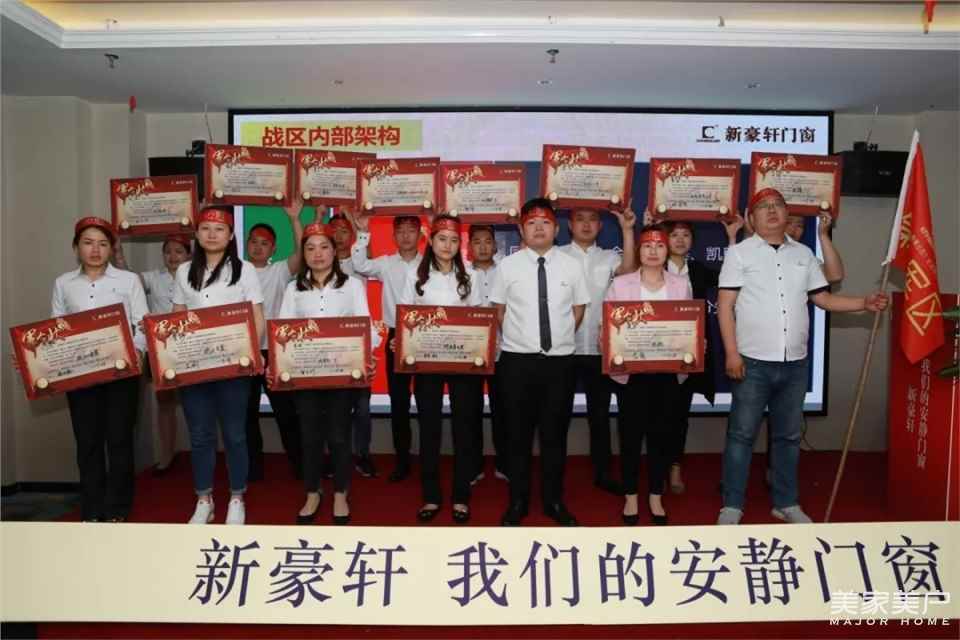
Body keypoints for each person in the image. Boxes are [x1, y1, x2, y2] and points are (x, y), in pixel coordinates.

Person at [716, 188, 888, 525]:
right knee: (741, 435)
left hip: (795, 364)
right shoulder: (739, 254)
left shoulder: (804, 254)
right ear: (751, 218)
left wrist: (863, 303)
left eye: (778, 205)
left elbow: (823, 299)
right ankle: (732, 505)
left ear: (787, 214)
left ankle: (786, 502)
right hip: (752, 363)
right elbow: (725, 307)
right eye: (763, 207)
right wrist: (732, 354)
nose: (772, 211)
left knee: (789, 437)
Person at [491, 198, 590, 527]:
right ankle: (517, 501)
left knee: (554, 435)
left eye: (545, 222)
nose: (538, 228)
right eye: (531, 223)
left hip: (559, 364)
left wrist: (557, 339)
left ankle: (554, 501)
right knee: (517, 436)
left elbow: (578, 310)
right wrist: (523, 340)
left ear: (556, 229)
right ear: (521, 230)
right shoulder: (507, 266)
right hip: (517, 363)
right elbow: (499, 312)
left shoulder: (572, 266)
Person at [276, 222, 376, 525]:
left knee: (339, 435)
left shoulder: (352, 286)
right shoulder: (293, 288)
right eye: (310, 248)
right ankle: (312, 492)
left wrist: (366, 355)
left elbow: (364, 325)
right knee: (309, 436)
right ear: (304, 253)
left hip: (342, 374)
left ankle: (341, 493)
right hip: (305, 375)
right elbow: (283, 331)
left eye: (323, 247)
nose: (317, 254)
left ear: (334, 251)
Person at [51, 217, 149, 522]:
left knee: (119, 440)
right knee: (87, 442)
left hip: (122, 374)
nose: (95, 250)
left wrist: (138, 352)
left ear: (111, 248)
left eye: (103, 244)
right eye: (88, 243)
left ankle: (118, 508)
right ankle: (91, 510)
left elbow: (142, 324)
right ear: (76, 247)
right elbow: (56, 329)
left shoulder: (128, 281)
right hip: (80, 376)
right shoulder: (63, 283)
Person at [173, 206, 265, 525]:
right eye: (206, 228)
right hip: (194, 365)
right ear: (197, 234)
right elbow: (178, 316)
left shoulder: (245, 270)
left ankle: (237, 497)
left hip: (233, 365)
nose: (212, 234)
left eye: (219, 229)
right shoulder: (184, 271)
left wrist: (253, 352)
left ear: (230, 235)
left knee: (235, 434)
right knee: (200, 435)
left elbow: (256, 315)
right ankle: (204, 499)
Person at [605, 224, 691, 525]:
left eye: (659, 246)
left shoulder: (680, 284)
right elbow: (607, 327)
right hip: (632, 374)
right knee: (630, 436)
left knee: (661, 436)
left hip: (667, 373)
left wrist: (695, 342)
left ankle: (655, 494)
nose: (653, 251)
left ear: (667, 250)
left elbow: (688, 325)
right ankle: (630, 495)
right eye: (647, 246)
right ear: (638, 250)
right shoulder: (621, 284)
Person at [557, 205, 636, 495]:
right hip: (562, 349)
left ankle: (602, 473)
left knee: (599, 416)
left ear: (601, 227)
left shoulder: (609, 257)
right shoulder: (556, 256)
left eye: (592, 220)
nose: (586, 224)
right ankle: (554, 475)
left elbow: (629, 273)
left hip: (600, 348)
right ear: (569, 225)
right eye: (580, 219)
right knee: (557, 415)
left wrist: (627, 229)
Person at [661, 217, 742, 493]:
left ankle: (674, 468)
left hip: (687, 354)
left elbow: (730, 278)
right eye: (674, 234)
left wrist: (732, 239)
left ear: (692, 241)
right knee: (656, 414)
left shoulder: (697, 270)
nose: (680, 240)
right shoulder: (652, 266)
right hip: (654, 350)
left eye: (685, 235)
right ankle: (657, 469)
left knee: (679, 414)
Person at [349, 213, 423, 482]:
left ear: (420, 235)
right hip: (395, 335)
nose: (406, 236)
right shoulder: (385, 264)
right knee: (399, 401)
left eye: (411, 230)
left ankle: (428, 456)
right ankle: (402, 460)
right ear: (394, 236)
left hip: (427, 334)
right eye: (400, 231)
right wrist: (363, 233)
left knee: (426, 398)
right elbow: (359, 264)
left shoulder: (429, 264)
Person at [244, 202, 305, 481]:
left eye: (264, 243)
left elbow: (302, 253)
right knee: (247, 415)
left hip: (274, 353)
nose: (258, 247)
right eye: (254, 242)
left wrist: (294, 219)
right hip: (245, 353)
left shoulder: (279, 270)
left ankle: (301, 466)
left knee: (287, 414)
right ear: (246, 244)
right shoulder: (236, 272)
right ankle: (252, 468)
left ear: (273, 248)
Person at [329, 212, 377, 478]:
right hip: (327, 346)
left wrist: (355, 220)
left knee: (362, 408)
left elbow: (367, 251)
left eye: (344, 231)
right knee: (330, 407)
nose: (338, 236)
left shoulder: (360, 263)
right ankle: (334, 456)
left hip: (358, 345)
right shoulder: (319, 262)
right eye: (333, 230)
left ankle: (363, 454)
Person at [140, 234, 192, 475]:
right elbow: (128, 281)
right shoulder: (154, 277)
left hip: (190, 348)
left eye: (179, 251)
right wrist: (118, 254)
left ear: (189, 254)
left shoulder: (197, 277)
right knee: (164, 404)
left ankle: (203, 454)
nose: (173, 256)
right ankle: (166, 455)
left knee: (197, 403)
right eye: (168, 251)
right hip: (160, 350)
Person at [466, 223, 507, 482]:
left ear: (495, 245)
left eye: (487, 241)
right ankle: (473, 465)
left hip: (503, 351)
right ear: (469, 246)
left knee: (504, 410)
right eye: (477, 241)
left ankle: (505, 463)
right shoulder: (460, 273)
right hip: (469, 353)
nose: (482, 247)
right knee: (470, 411)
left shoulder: (506, 271)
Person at [785, 213, 845, 283]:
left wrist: (823, 234)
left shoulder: (803, 255)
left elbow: (835, 276)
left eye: (800, 225)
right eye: (788, 222)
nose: (793, 229)